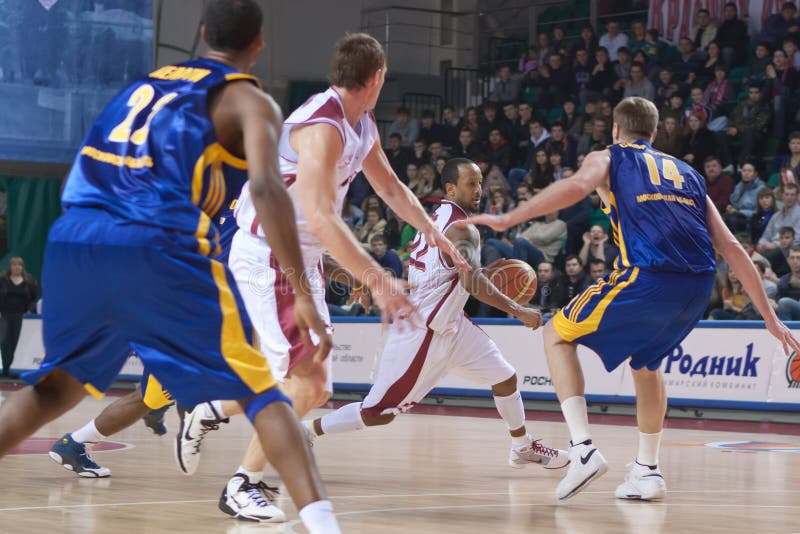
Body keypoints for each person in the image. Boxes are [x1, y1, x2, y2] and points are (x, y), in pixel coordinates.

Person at [0, 2, 344, 532]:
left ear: (204, 33)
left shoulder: (142, 86)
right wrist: (301, 290)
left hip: (76, 237)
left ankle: (98, 435)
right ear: (258, 45)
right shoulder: (249, 99)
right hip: (156, 240)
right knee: (265, 394)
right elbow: (268, 187)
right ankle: (318, 523)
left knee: (54, 391)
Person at [177, 32, 468, 521]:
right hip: (270, 252)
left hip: (300, 257)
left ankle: (210, 409)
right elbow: (320, 217)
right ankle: (241, 483)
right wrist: (377, 281)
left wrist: (438, 234)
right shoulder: (322, 126)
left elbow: (393, 189)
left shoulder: (362, 123)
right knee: (305, 378)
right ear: (376, 78)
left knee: (313, 387)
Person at [462, 96, 800, 502]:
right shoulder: (688, 172)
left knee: (555, 333)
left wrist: (508, 218)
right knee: (646, 364)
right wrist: (769, 316)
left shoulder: (610, 156)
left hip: (648, 273)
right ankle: (648, 471)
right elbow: (730, 245)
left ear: (616, 131)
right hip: (697, 286)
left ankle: (583, 448)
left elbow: (575, 186)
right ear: (655, 133)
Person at [303, 158, 568, 470]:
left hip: (452, 324)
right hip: (424, 331)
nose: (479, 190)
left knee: (505, 377)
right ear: (451, 188)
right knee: (378, 414)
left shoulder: (437, 215)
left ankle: (522, 446)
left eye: (481, 182)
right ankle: (307, 431)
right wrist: (516, 309)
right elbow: (472, 281)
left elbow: (461, 275)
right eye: (471, 183)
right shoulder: (461, 230)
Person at [0, 257, 39, 376]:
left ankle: (17, 369)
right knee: (5, 342)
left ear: (22, 267)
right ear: (10, 267)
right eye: (14, 265)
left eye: (19, 265)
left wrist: (30, 310)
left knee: (19, 343)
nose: (17, 267)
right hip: (4, 316)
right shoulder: (2, 281)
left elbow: (36, 298)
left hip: (22, 318)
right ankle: (5, 368)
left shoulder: (29, 282)